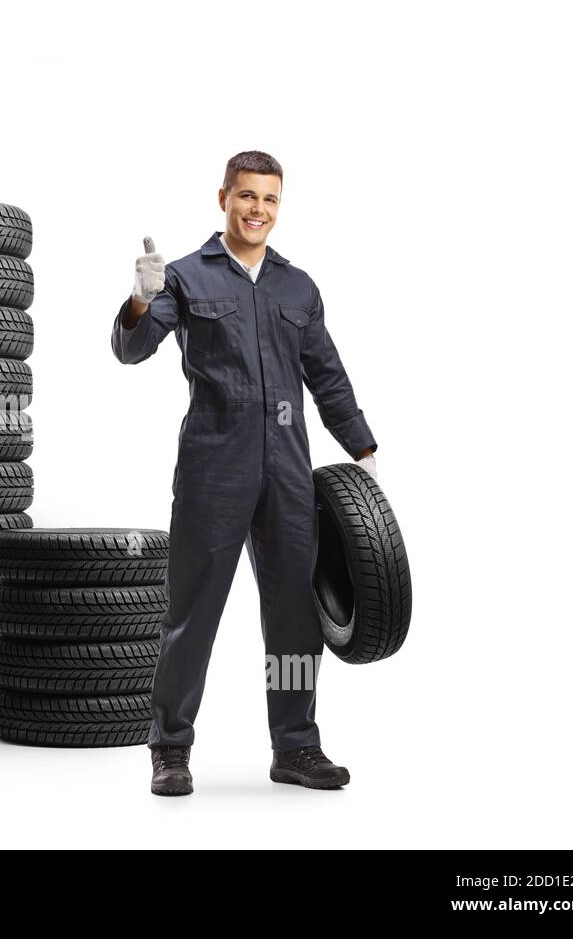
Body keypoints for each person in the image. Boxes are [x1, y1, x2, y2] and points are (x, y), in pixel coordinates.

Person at [111, 151, 377, 796]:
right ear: (224, 197)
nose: (258, 210)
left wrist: (362, 448)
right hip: (213, 467)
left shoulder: (297, 287)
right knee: (192, 612)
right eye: (247, 197)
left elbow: (327, 375)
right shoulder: (183, 277)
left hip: (288, 468)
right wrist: (140, 301)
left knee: (295, 616)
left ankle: (296, 748)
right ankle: (170, 748)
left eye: (271, 200)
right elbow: (131, 351)